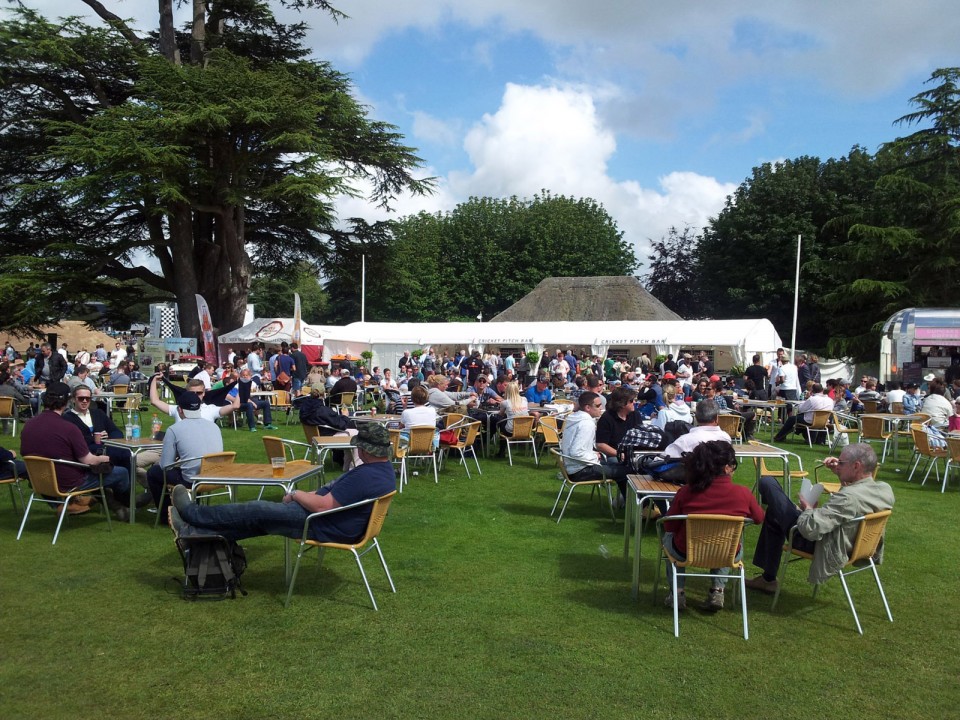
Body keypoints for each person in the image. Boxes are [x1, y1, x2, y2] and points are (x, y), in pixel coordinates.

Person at [169, 423, 397, 543]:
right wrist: (311, 495)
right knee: (260, 521)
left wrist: (296, 494)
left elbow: (323, 506)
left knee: (255, 509)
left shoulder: (365, 475)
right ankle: (194, 534)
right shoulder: (383, 470)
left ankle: (193, 514)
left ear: (364, 448)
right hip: (338, 524)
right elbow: (329, 497)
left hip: (321, 524)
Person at [747, 443, 894, 594]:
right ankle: (767, 579)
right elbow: (852, 503)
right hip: (854, 544)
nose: (838, 465)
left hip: (821, 543)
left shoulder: (848, 498)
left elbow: (809, 529)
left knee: (767, 482)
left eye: (841, 463)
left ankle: (768, 580)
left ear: (856, 466)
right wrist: (840, 473)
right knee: (775, 513)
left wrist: (809, 509)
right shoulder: (884, 490)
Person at [661, 441, 765, 611]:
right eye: (733, 464)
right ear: (726, 468)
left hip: (686, 550)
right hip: (726, 552)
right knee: (730, 542)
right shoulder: (743, 493)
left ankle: (677, 593)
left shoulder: (686, 492)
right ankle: (718, 590)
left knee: (668, 539)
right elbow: (760, 518)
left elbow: (670, 526)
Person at [19, 382, 132, 520]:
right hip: (69, 483)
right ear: (68, 401)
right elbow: (88, 460)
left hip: (40, 480)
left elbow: (24, 452)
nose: (84, 401)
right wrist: (105, 459)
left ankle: (113, 504)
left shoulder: (28, 425)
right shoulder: (68, 427)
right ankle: (127, 504)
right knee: (121, 472)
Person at [63, 385, 157, 503]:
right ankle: (126, 499)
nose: (85, 401)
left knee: (126, 453)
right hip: (87, 453)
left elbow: (116, 432)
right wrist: (94, 439)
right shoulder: (68, 418)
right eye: (81, 398)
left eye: (88, 398)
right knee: (122, 456)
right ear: (73, 399)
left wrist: (108, 437)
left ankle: (126, 496)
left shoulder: (98, 413)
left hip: (106, 448)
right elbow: (77, 441)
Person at [145, 391, 224, 516]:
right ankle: (193, 507)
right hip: (216, 476)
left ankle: (166, 515)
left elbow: (165, 465)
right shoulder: (214, 427)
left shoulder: (175, 429)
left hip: (192, 480)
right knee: (192, 467)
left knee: (154, 472)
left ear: (180, 410)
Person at [594, 386, 640, 495]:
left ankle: (650, 502)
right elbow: (600, 444)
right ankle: (632, 503)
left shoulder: (635, 415)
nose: (634, 402)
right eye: (631, 401)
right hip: (614, 455)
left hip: (635, 454)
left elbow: (640, 436)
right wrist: (620, 454)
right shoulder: (606, 418)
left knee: (648, 469)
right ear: (623, 404)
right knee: (624, 470)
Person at [558, 391, 606, 479]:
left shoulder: (574, 418)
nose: (601, 408)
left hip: (571, 468)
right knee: (624, 471)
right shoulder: (586, 424)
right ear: (587, 407)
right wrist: (594, 456)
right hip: (579, 470)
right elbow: (576, 452)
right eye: (598, 405)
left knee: (616, 466)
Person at [663, 400, 732, 458]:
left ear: (696, 418)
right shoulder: (726, 438)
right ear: (717, 418)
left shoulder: (684, 441)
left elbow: (662, 460)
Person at [496, 381, 531, 457]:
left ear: (507, 391)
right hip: (526, 429)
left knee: (500, 421)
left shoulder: (505, 402)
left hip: (511, 430)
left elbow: (500, 414)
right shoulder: (524, 399)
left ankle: (501, 451)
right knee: (505, 420)